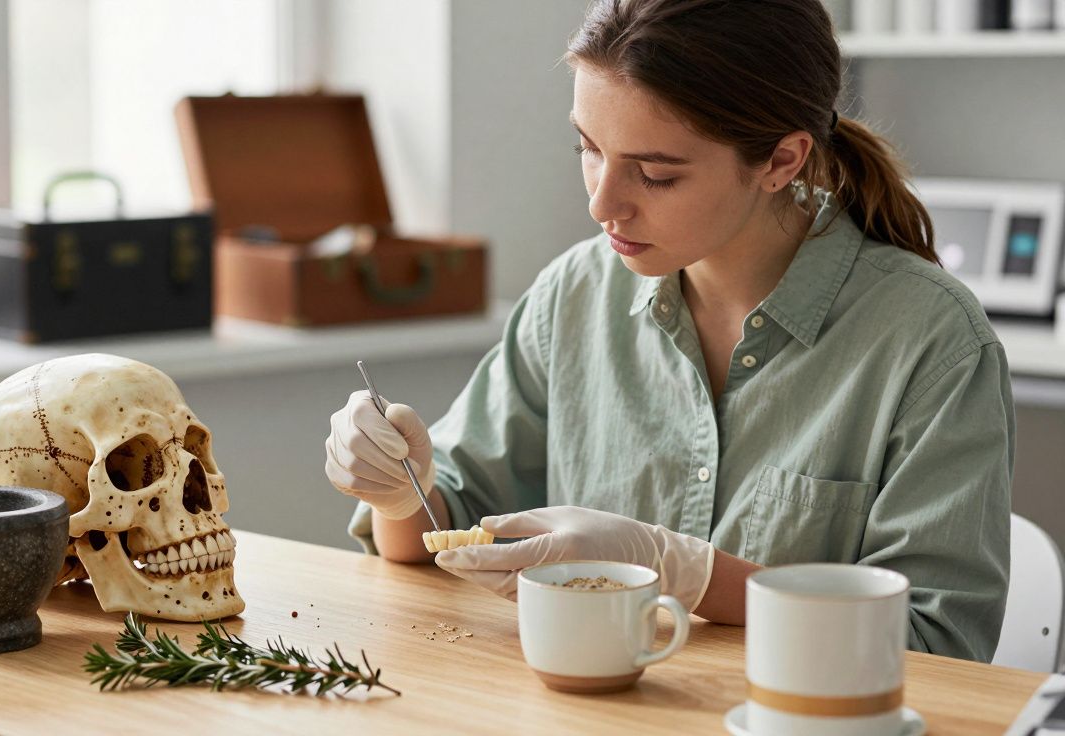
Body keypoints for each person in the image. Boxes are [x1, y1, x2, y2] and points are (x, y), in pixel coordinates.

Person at [324, 0, 1012, 663]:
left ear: (781, 161)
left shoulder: (932, 342)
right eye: (588, 148)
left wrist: (689, 573)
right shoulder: (574, 295)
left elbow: (936, 645)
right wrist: (397, 489)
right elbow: (437, 536)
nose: (600, 203)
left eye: (654, 175)